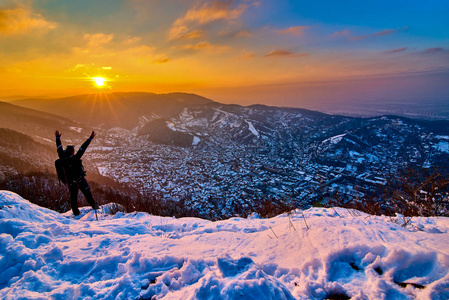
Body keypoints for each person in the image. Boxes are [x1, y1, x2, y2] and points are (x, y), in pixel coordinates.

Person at [55, 130, 98, 216]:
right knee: (87, 193)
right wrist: (90, 138)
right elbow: (83, 148)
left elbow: (59, 147)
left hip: (70, 182)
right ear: (72, 151)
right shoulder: (75, 158)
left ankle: (76, 212)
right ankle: (94, 206)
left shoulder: (62, 157)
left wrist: (57, 138)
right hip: (80, 179)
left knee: (73, 197)